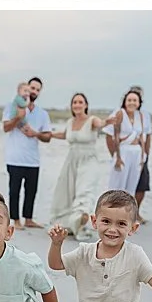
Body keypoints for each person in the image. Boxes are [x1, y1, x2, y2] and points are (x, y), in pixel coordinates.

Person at [44, 93, 107, 242]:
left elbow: (100, 124)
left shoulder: (92, 120)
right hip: (71, 160)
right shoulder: (70, 121)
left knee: (85, 189)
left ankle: (81, 217)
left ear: (86, 105)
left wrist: (108, 121)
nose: (77, 105)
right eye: (75, 102)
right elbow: (64, 135)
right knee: (67, 192)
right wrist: (45, 134)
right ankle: (69, 223)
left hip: (88, 160)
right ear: (72, 106)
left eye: (80, 102)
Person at [2, 79, 53, 231]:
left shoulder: (42, 114)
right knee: (14, 191)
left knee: (31, 191)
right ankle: (16, 220)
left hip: (33, 160)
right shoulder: (11, 107)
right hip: (15, 158)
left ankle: (28, 219)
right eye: (32, 88)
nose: (34, 91)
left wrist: (35, 133)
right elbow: (5, 127)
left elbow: (48, 136)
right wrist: (18, 117)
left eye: (37, 90)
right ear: (25, 89)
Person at [105, 89, 151, 201]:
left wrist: (143, 156)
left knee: (131, 187)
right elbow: (112, 135)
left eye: (135, 100)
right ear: (125, 101)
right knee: (117, 185)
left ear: (139, 103)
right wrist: (116, 156)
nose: (132, 103)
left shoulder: (140, 116)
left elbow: (143, 136)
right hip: (123, 151)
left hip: (137, 152)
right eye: (129, 100)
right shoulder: (120, 113)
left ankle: (127, 214)